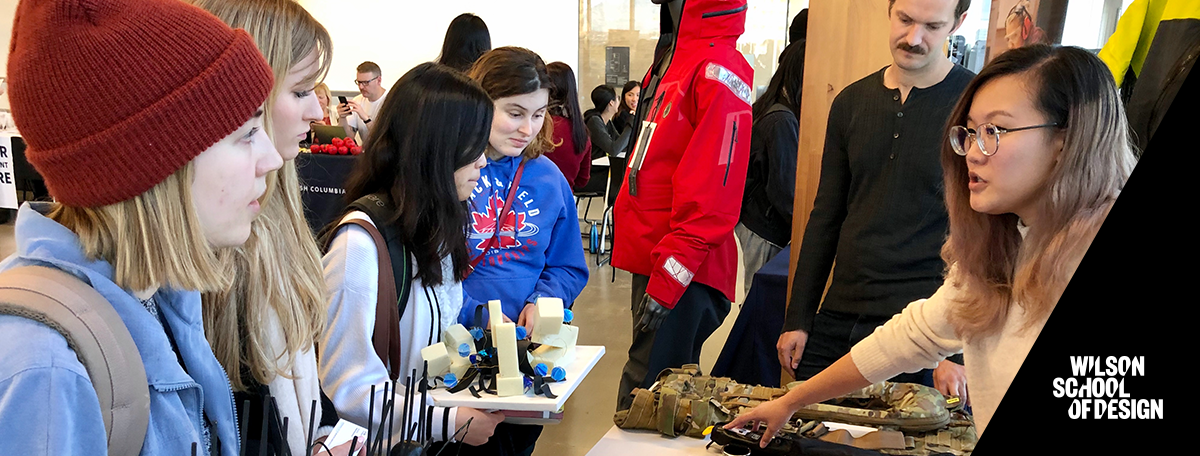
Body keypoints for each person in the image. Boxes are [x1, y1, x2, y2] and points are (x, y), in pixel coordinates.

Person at [729, 44, 1136, 441]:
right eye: (971, 132)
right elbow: (908, 337)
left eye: (994, 130)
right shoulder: (1000, 249)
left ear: (1066, 139)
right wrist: (792, 401)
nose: (972, 154)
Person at [0, 0, 282, 453]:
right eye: (246, 134)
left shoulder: (159, 296)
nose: (272, 158)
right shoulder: (47, 373)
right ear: (153, 167)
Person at [778, 0, 974, 400]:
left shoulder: (974, 106)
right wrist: (798, 317)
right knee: (805, 431)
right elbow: (826, 216)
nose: (913, 38)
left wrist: (962, 349)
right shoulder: (850, 102)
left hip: (924, 328)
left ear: (958, 23)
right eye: (904, 20)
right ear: (889, 10)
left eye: (932, 26)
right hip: (839, 312)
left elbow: (989, 231)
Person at [185, 0, 346, 454]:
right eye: (299, 92)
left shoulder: (279, 207)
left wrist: (318, 434)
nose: (318, 110)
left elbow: (294, 366)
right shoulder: (218, 234)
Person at [320, 62, 505, 448]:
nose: (483, 162)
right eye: (473, 148)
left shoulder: (438, 224)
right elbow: (347, 384)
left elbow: (439, 328)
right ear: (437, 147)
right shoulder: (360, 243)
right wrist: (445, 421)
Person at [612, 0, 753, 412]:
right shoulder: (671, 60)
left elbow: (714, 190)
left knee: (646, 401)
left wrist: (672, 275)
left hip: (685, 268)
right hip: (656, 256)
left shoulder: (718, 68)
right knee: (655, 397)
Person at [459, 46, 590, 455]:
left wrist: (543, 301)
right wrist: (477, 322)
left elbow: (569, 265)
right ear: (479, 103)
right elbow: (427, 268)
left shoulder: (549, 178)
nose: (527, 128)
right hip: (457, 355)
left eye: (538, 115)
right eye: (515, 113)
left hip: (525, 359)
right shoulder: (451, 170)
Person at [735, 40, 804, 291]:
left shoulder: (769, 108)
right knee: (759, 303)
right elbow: (784, 189)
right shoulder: (781, 121)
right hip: (765, 227)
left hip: (754, 221)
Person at [545, 62, 593, 190]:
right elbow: (582, 180)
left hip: (529, 202)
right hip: (565, 203)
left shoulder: (537, 127)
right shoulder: (581, 132)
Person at [339, 61, 387, 145]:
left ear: (378, 80)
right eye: (359, 82)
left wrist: (366, 118)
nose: (361, 87)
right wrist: (342, 118)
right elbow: (348, 138)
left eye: (366, 82)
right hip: (364, 154)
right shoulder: (357, 101)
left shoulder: (390, 100)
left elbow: (384, 138)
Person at [583, 85, 633, 160]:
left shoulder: (606, 122)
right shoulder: (594, 121)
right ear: (611, 103)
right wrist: (630, 123)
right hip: (593, 169)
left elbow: (621, 145)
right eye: (618, 98)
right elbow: (613, 150)